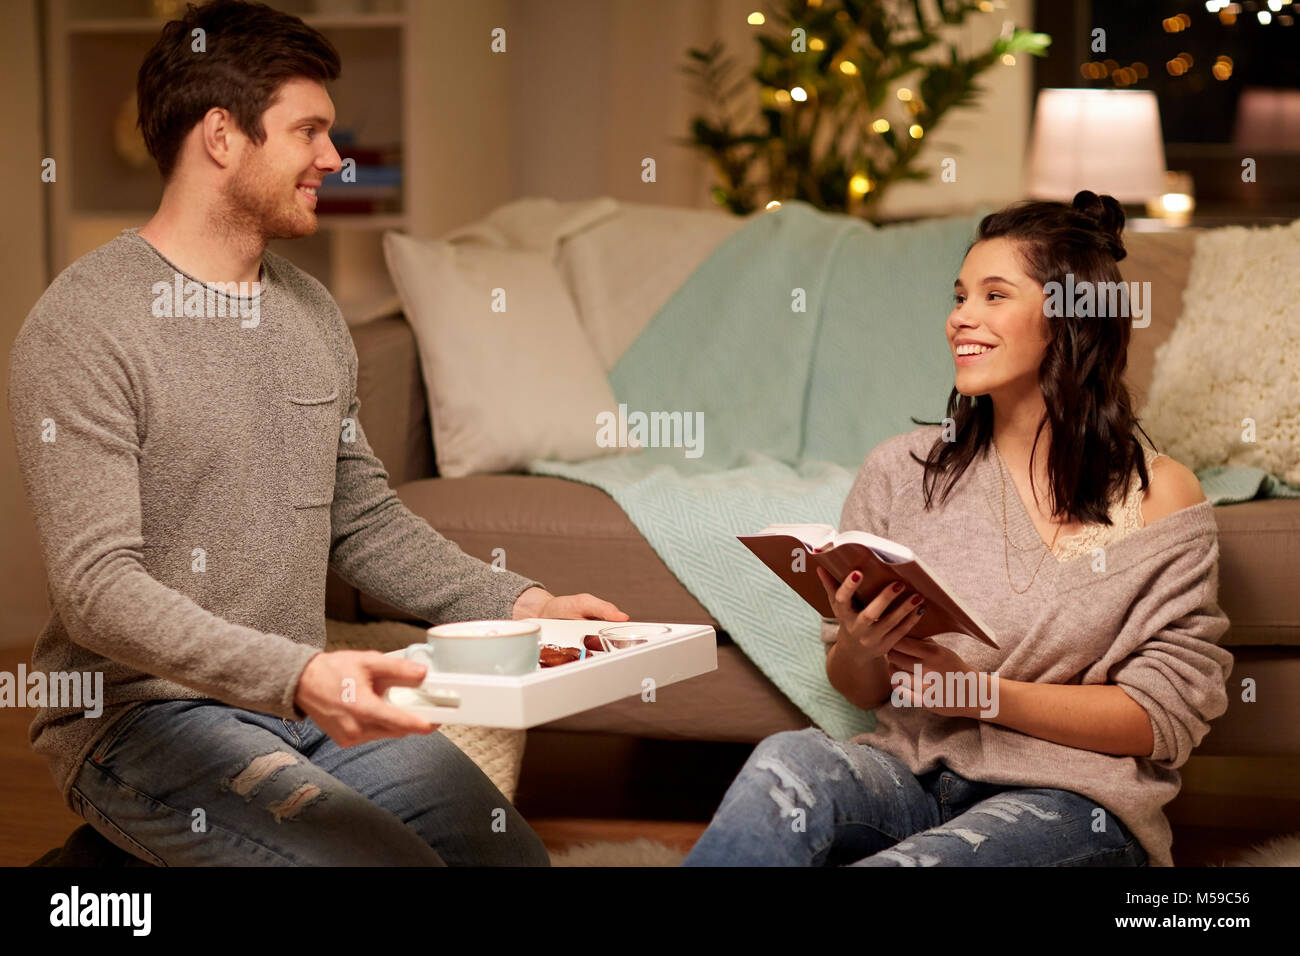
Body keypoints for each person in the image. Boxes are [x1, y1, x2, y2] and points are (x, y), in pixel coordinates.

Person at [7, 0, 627, 866]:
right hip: (143, 720)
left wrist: (524, 605)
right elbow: (97, 590)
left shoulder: (309, 312)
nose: (335, 159)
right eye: (311, 132)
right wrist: (296, 676)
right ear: (222, 137)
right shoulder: (87, 325)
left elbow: (362, 518)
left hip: (301, 708)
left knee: (505, 859)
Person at [683, 190, 1234, 867]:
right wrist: (861, 645)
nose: (960, 319)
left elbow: (1162, 719)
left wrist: (978, 694)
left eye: (994, 296)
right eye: (960, 296)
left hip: (1069, 804)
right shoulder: (900, 470)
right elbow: (859, 687)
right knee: (788, 761)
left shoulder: (1158, 495)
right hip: (909, 777)